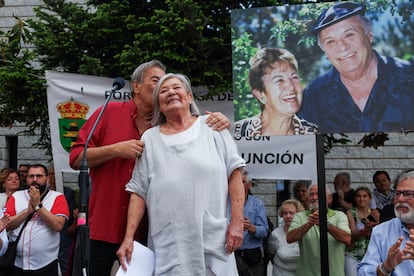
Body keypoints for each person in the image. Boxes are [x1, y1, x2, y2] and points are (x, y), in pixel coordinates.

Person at [69, 60, 231, 275]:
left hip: (150, 234)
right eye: (156, 81)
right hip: (104, 226)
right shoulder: (109, 112)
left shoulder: (166, 127)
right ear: (136, 86)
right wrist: (116, 149)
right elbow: (76, 158)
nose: (163, 87)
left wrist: (219, 119)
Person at [116, 73, 245, 274]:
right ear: (159, 103)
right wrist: (128, 238)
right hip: (169, 241)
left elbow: (235, 175)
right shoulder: (149, 138)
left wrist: (237, 223)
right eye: (164, 91)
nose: (171, 93)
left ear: (190, 97)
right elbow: (138, 191)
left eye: (176, 88)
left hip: (211, 237)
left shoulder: (213, 127)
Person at [298, 2, 414, 133]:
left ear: (369, 35)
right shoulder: (312, 98)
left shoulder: (409, 75)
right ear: (325, 51)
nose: (342, 46)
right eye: (330, 41)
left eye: (349, 35)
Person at [234, 47, 317, 137]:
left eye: (294, 77)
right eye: (279, 80)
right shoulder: (236, 133)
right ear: (260, 95)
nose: (291, 86)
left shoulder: (316, 134)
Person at [4, 164, 69, 275]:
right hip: (17, 263)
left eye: (39, 176)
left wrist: (38, 206)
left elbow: (58, 226)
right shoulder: (16, 196)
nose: (35, 179)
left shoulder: (57, 197)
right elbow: (7, 224)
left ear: (47, 179)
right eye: (31, 176)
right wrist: (27, 211)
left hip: (46, 264)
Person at [286, 183, 351, 276]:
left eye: (319, 194)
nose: (315, 197)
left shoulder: (339, 216)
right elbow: (289, 238)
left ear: (329, 198)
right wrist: (309, 224)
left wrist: (325, 224)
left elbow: (347, 239)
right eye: (312, 194)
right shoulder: (299, 216)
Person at [357, 169, 414, 275]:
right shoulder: (381, 231)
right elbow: (362, 272)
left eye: (408, 194)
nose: (400, 199)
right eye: (398, 193)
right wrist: (385, 267)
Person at [235, 171, 269, 276]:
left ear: (249, 185)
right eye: (237, 182)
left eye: (243, 182)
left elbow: (265, 231)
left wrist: (251, 228)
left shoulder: (258, 204)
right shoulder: (226, 203)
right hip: (232, 254)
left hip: (252, 256)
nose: (239, 185)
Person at [48, 165, 77, 276]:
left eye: (55, 175)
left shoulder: (68, 193)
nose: (53, 178)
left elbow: (69, 215)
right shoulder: (40, 193)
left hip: (64, 235)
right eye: (51, 175)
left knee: (65, 264)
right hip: (47, 233)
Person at [345, 187, 380, 276]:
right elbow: (352, 234)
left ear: (370, 198)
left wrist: (377, 222)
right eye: (358, 196)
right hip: (353, 254)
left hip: (371, 254)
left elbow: (380, 233)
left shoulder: (375, 213)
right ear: (355, 198)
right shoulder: (350, 212)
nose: (361, 199)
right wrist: (365, 229)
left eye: (365, 196)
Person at [268, 199, 303, 276]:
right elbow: (271, 254)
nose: (288, 216)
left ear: (298, 214)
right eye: (285, 213)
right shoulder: (275, 235)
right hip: (280, 273)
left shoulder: (304, 232)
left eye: (291, 213)